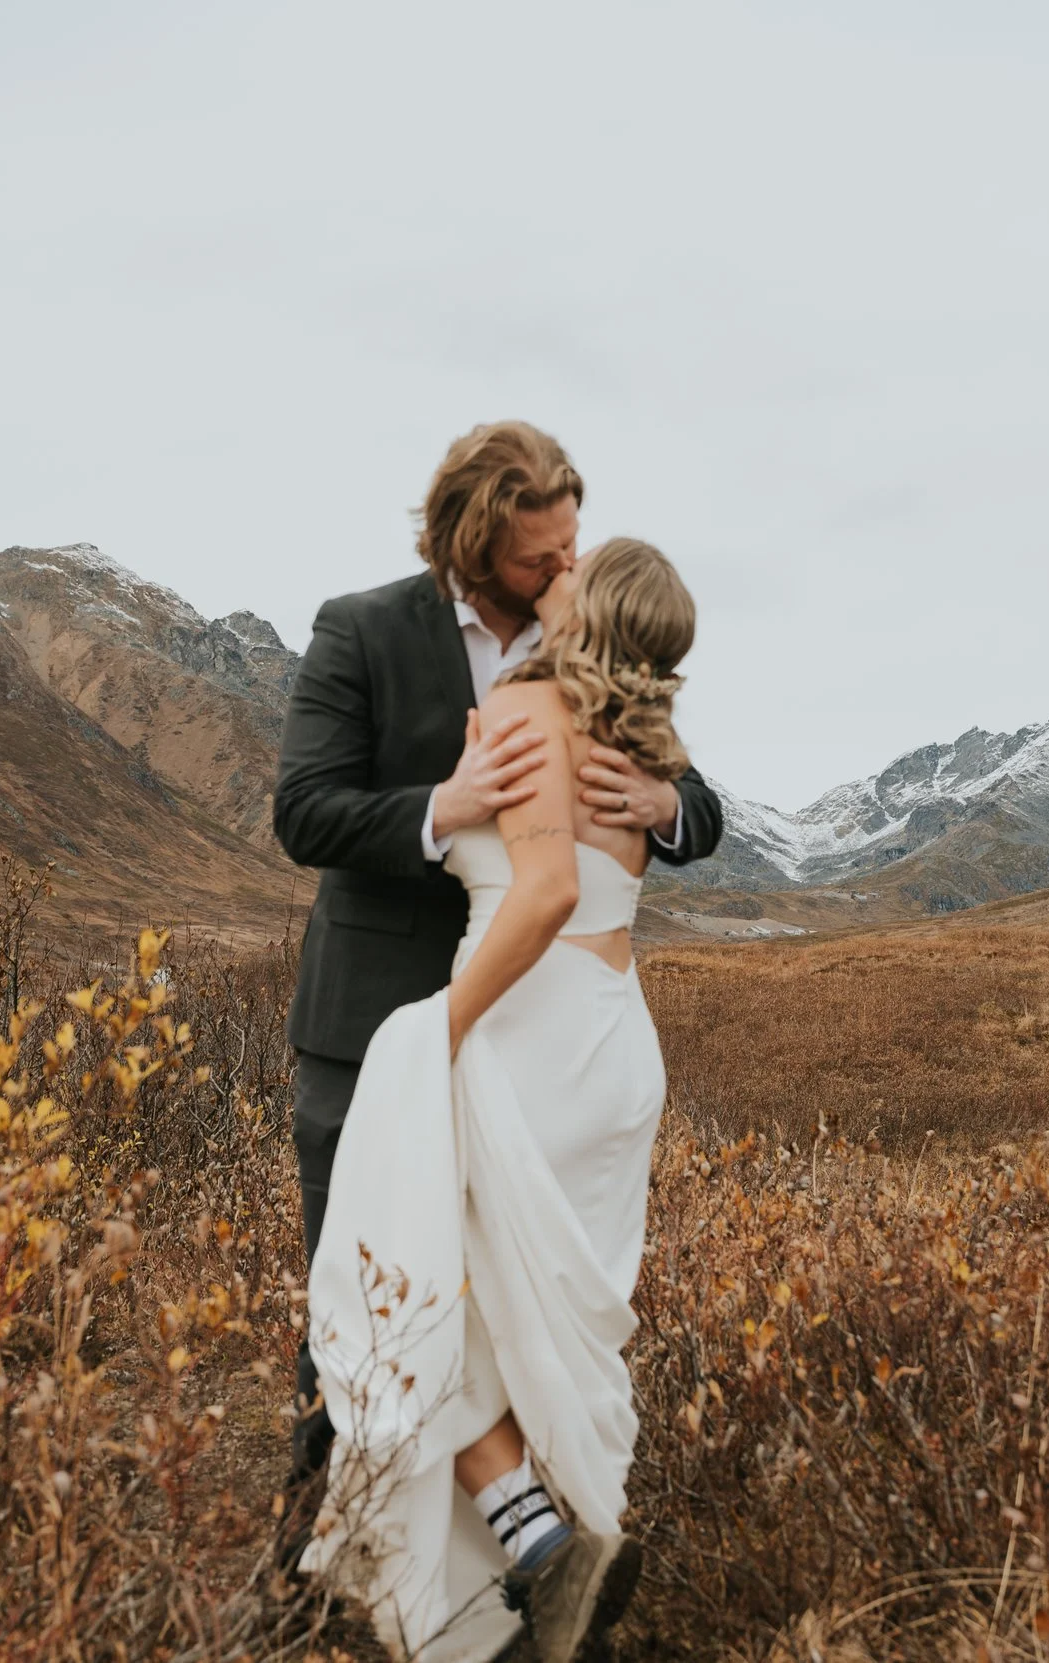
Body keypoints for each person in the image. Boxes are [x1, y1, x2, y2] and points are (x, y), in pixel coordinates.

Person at [299, 538, 698, 1663]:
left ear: (585, 607)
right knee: (522, 1318)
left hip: (523, 1027)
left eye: (573, 565)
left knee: (410, 1290)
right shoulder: (644, 739)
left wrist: (443, 1025)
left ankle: (528, 1541)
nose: (551, 569)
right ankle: (543, 1560)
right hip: (614, 1043)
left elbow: (547, 889)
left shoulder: (528, 705)